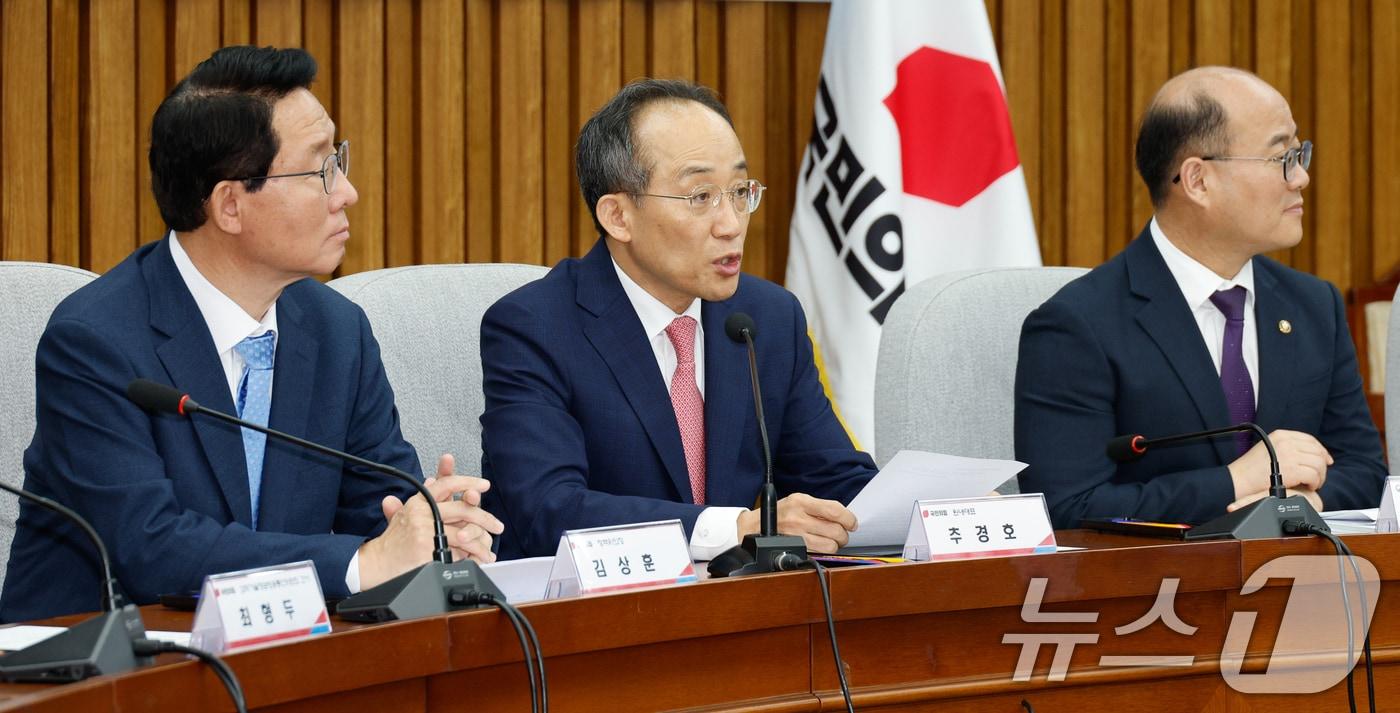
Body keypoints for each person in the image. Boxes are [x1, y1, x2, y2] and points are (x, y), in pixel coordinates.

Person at [0, 46, 502, 621]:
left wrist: (434, 530)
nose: (346, 193)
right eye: (320, 169)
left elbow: (378, 506)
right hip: (93, 673)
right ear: (230, 205)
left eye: (338, 160)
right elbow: (151, 547)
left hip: (275, 658)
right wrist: (363, 565)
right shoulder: (93, 342)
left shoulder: (336, 330)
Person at [480, 79, 876, 560]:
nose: (731, 223)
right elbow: (550, 511)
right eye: (700, 196)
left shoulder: (767, 319)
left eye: (739, 191)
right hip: (585, 618)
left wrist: (938, 514)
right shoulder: (534, 328)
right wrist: (737, 527)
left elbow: (834, 480)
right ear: (618, 216)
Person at [1014, 66, 1386, 529]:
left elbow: (1367, 471)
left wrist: (1298, 503)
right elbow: (1066, 507)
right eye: (1281, 158)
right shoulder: (1077, 325)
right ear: (1198, 181)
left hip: (1300, 585)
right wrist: (1236, 482)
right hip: (1151, 593)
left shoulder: (1314, 306)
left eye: (1300, 153)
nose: (1302, 178)